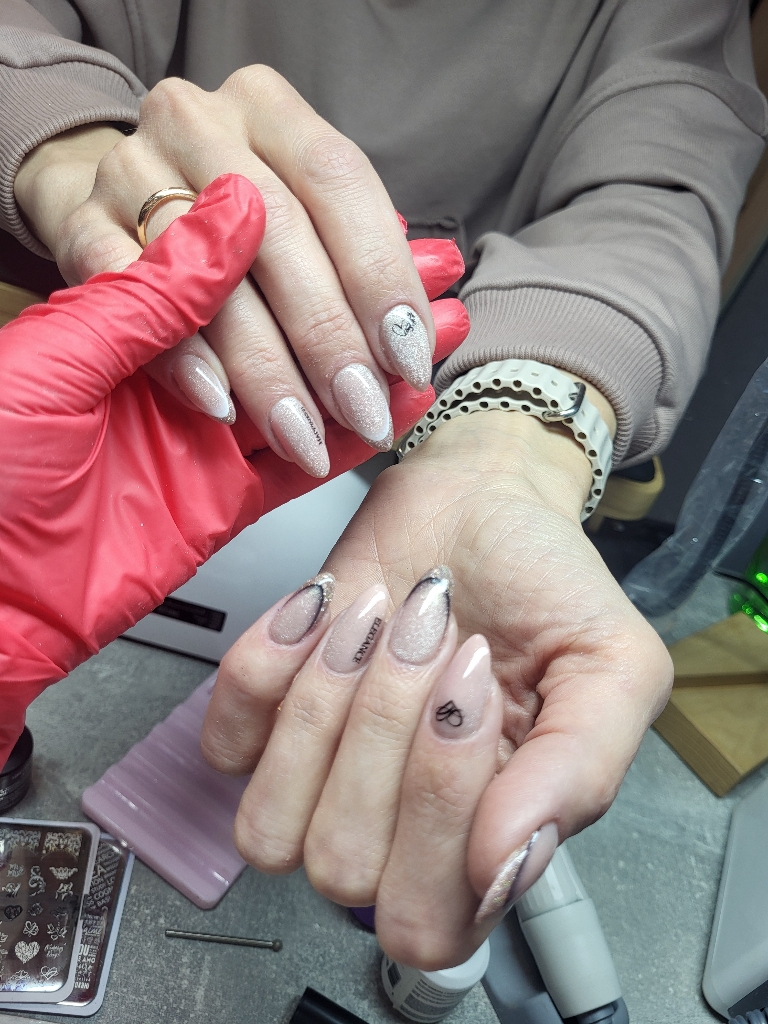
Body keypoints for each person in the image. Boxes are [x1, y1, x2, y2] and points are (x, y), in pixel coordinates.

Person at [0, 0, 763, 967]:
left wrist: (508, 455)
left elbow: (656, 188)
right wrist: (80, 163)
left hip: (422, 399)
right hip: (134, 404)